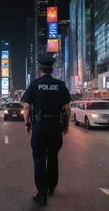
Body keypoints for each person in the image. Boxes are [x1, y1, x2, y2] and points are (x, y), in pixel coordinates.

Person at [21, 56, 71, 205]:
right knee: (53, 156)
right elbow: (67, 108)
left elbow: (26, 107)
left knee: (39, 158)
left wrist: (27, 124)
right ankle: (51, 186)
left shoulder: (35, 85)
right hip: (56, 126)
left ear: (40, 69)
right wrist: (66, 124)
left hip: (40, 127)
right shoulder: (60, 85)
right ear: (53, 69)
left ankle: (41, 193)